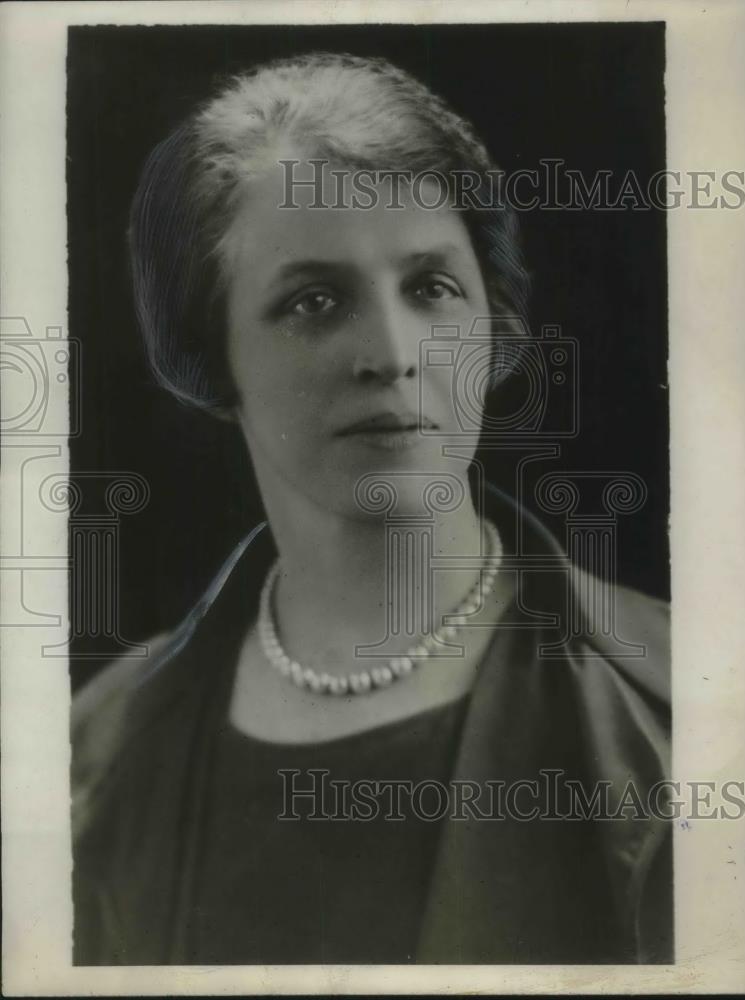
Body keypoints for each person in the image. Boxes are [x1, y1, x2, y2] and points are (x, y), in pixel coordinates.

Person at [71, 52, 672, 965]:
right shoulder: (90, 762)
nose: (391, 352)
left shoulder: (689, 711)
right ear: (211, 352)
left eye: (431, 288)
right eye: (314, 301)